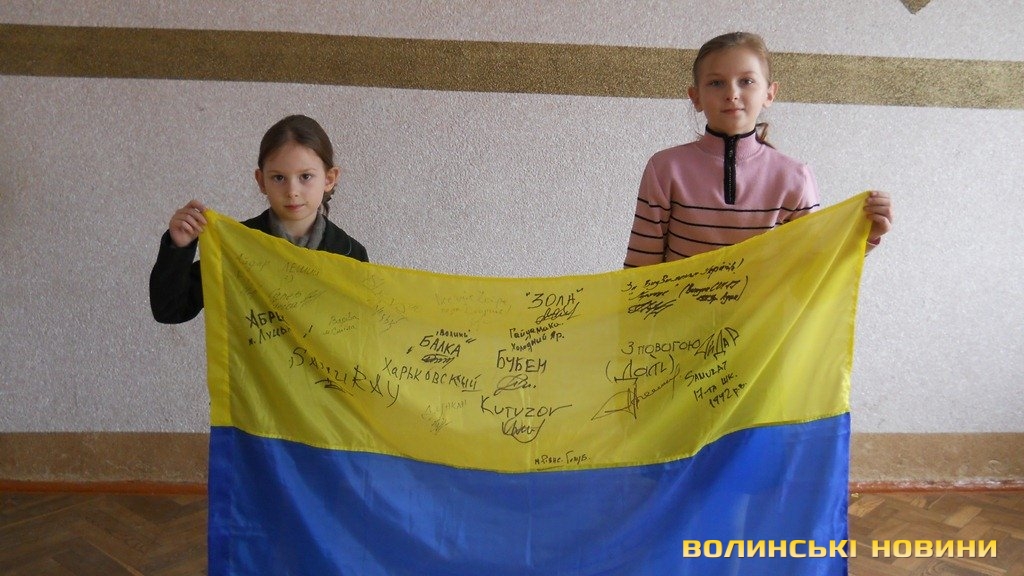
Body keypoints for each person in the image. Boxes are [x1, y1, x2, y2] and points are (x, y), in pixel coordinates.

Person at [624, 32, 892, 267]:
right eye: (716, 83)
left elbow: (813, 265)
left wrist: (867, 236)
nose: (732, 94)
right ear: (696, 97)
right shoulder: (665, 168)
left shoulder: (795, 176)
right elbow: (641, 266)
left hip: (769, 313)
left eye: (746, 81)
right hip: (679, 312)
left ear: (769, 93)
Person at [150, 114, 369, 324]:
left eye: (305, 176)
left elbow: (363, 330)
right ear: (262, 181)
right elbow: (170, 310)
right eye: (279, 178)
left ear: (329, 179)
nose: (292, 191)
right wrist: (179, 247)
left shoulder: (351, 253)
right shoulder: (237, 245)